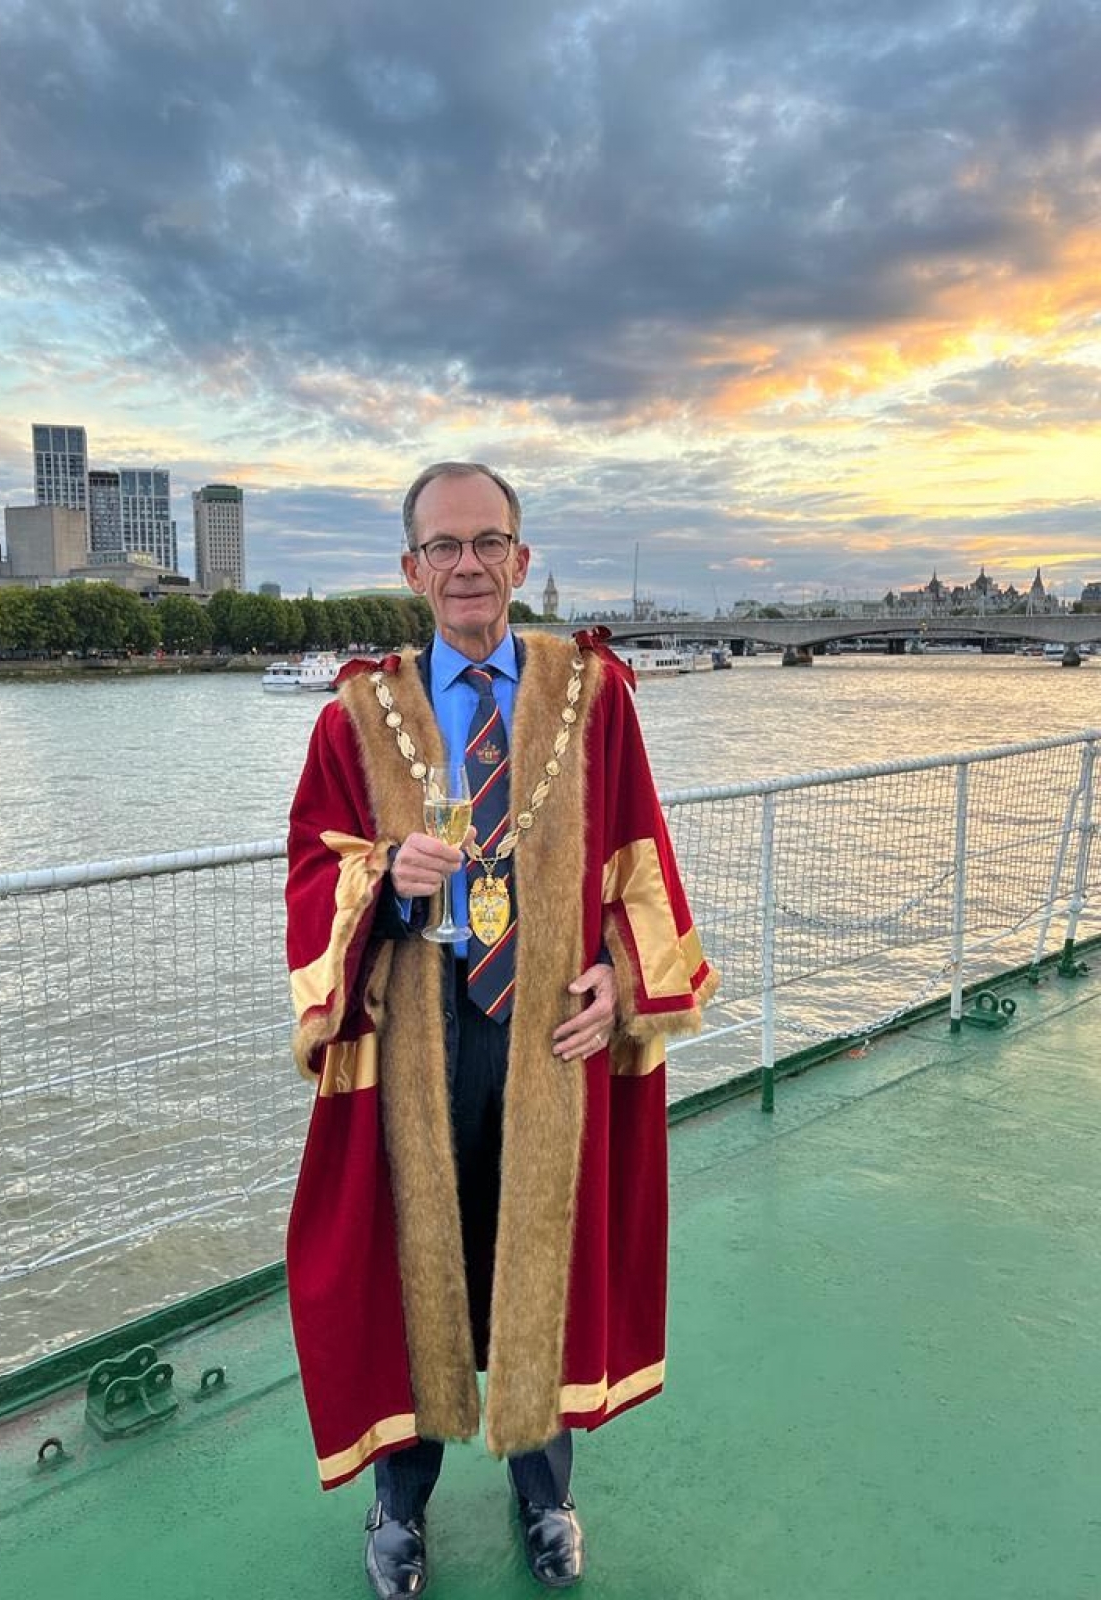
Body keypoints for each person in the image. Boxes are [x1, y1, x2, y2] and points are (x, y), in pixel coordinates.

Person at [284, 462, 717, 1597]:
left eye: (488, 543)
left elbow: (641, 859)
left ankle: (546, 1497)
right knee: (411, 1273)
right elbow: (311, 875)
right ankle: (400, 1510)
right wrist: (383, 876)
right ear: (412, 569)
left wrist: (627, 982)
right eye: (444, 546)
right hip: (417, 1042)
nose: (467, 564)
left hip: (546, 1039)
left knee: (540, 1272)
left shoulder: (591, 695)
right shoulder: (359, 718)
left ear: (520, 562)